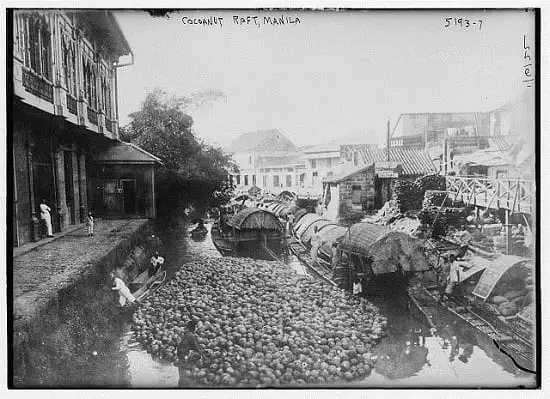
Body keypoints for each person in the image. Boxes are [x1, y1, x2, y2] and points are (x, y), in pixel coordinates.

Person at [177, 319, 203, 387]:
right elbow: (196, 347)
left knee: (181, 372)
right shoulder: (191, 336)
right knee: (185, 373)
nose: (197, 328)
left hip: (180, 354)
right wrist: (202, 355)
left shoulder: (185, 333)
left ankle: (180, 384)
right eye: (196, 327)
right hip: (185, 355)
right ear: (193, 328)